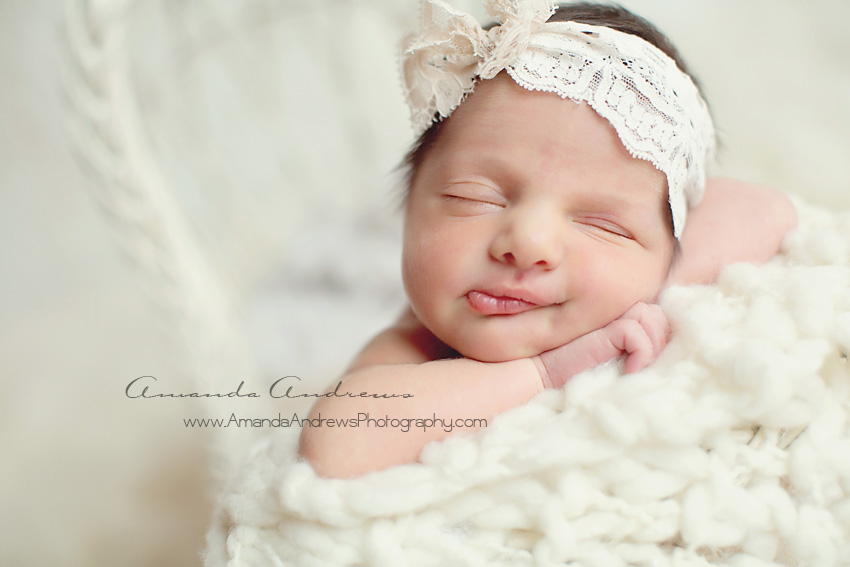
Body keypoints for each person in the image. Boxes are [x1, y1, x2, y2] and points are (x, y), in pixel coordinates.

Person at [298, 0, 797, 479]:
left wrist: (649, 287)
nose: (529, 242)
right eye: (475, 198)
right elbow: (336, 444)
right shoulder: (416, 346)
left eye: (603, 224)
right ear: (409, 210)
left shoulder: (647, 294)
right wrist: (545, 372)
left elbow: (765, 207)